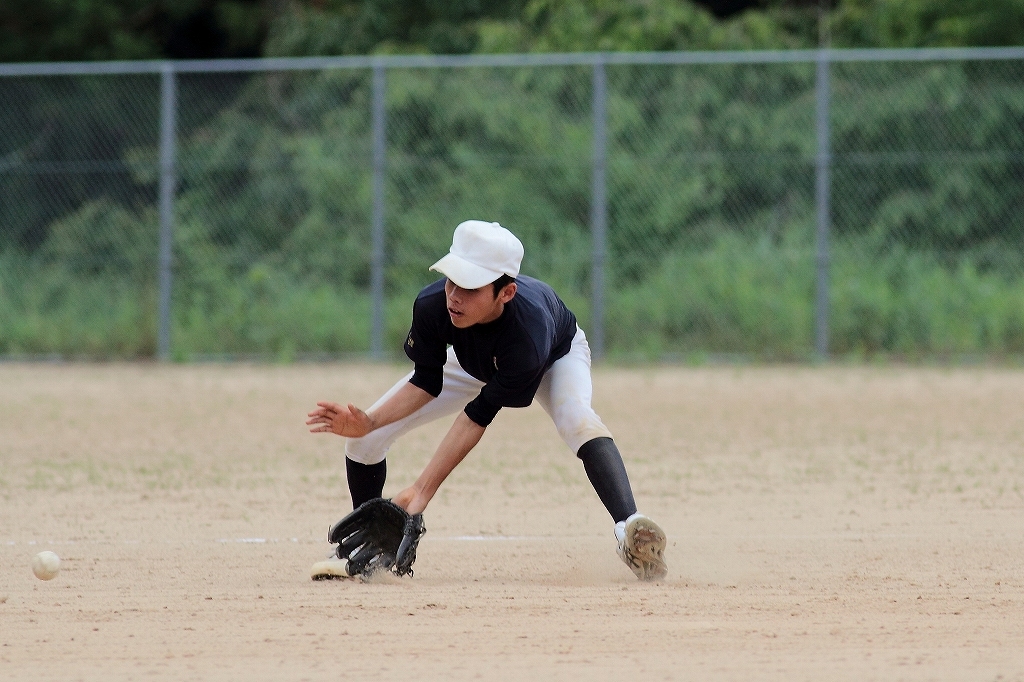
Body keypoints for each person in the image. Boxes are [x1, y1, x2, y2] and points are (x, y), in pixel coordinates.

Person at [306, 220, 667, 581]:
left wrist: (421, 490)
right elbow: (427, 382)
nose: (454, 296)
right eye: (451, 280)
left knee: (576, 418)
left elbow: (475, 417)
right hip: (473, 360)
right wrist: (368, 421)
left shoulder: (528, 335)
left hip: (553, 356)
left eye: (471, 286)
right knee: (364, 439)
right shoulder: (433, 305)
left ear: (506, 293)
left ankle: (629, 528)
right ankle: (364, 546)